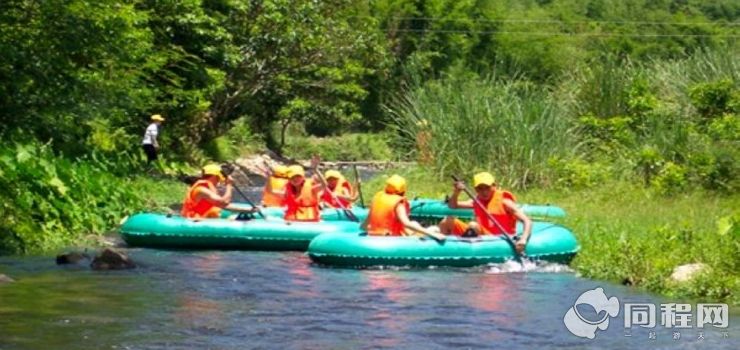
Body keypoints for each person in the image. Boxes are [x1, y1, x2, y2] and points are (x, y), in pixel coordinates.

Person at [438, 172, 531, 254]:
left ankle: (464, 250)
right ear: (476, 189)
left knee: (473, 225)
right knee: (446, 221)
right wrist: (456, 192)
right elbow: (452, 206)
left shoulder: (505, 202)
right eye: (480, 189)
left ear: (494, 186)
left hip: (500, 239)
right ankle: (444, 250)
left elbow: (527, 221)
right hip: (482, 236)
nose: (484, 192)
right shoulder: (476, 201)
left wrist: (523, 239)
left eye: (487, 188)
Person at [361, 174, 446, 241]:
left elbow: (364, 225)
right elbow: (406, 223)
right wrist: (433, 235)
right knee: (435, 229)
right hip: (389, 238)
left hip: (373, 235)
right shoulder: (398, 203)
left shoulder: (378, 198)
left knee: (414, 223)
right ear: (402, 190)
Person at [181, 164, 257, 219]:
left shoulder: (207, 189)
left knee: (234, 217)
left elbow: (222, 206)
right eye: (220, 177)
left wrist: (247, 210)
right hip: (194, 221)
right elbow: (224, 202)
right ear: (215, 176)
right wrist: (229, 185)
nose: (220, 179)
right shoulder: (201, 190)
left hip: (203, 219)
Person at [282, 156, 327, 222]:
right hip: (292, 221)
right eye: (292, 177)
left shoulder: (312, 189)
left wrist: (316, 170)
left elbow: (324, 185)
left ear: (303, 177)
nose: (295, 179)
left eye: (298, 176)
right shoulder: (287, 189)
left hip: (309, 221)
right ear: (289, 179)